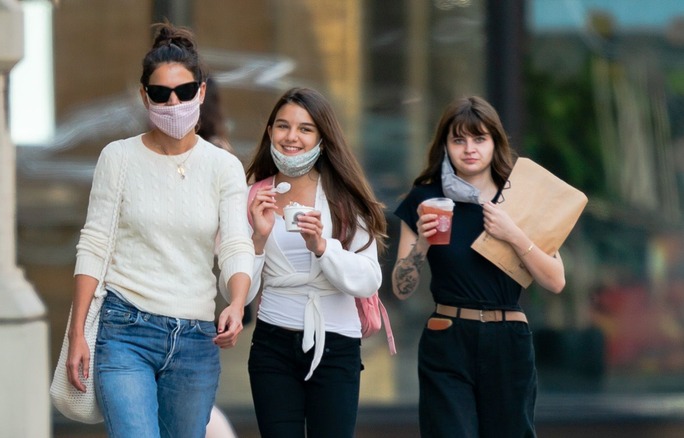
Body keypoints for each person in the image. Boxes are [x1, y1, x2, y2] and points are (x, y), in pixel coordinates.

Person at [66, 21, 254, 438]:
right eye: (160, 93)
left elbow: (237, 244)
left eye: (185, 92)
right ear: (143, 96)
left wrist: (237, 303)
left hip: (195, 337)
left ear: (201, 92)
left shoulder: (222, 166)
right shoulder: (118, 158)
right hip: (124, 329)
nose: (174, 103)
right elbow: (94, 244)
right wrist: (79, 332)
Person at [392, 96, 566, 438]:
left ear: (495, 143)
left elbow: (555, 280)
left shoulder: (518, 199)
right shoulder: (425, 199)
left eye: (479, 138)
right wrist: (422, 244)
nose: (469, 148)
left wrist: (513, 234)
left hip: (508, 339)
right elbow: (401, 288)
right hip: (447, 334)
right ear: (445, 145)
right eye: (459, 139)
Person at [237, 87, 387, 437]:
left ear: (322, 137)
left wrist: (323, 247)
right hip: (272, 345)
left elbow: (368, 280)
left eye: (305, 129)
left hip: (336, 347)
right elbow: (239, 295)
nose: (292, 137)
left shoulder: (345, 199)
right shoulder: (252, 196)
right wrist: (258, 239)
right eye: (282, 126)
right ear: (270, 132)